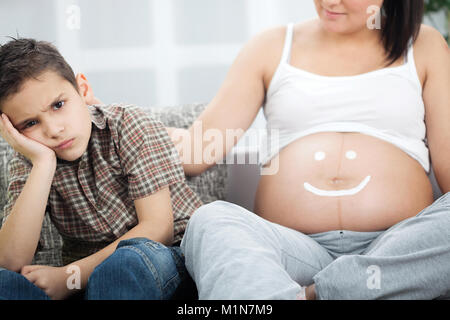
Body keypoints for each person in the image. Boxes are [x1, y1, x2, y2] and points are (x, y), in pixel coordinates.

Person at [169, 0, 450, 299]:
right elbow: (199, 147)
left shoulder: (423, 45)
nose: (330, 1)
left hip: (398, 249)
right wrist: (127, 125)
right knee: (210, 220)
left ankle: (318, 294)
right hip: (296, 251)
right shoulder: (270, 46)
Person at [0, 38, 202, 300]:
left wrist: (70, 277)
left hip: (163, 259)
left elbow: (158, 229)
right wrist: (42, 164)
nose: (53, 129)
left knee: (123, 265)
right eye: (29, 123)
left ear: (82, 89)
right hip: (86, 283)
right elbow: (10, 261)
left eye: (58, 105)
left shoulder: (128, 123)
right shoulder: (29, 159)